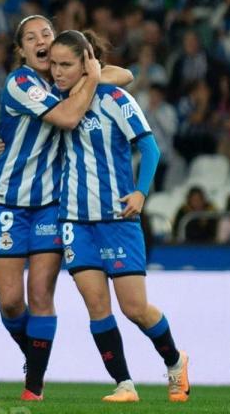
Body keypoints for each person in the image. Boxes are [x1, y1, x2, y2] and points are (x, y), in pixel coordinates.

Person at [0, 14, 132, 400]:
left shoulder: (62, 80)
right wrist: (93, 79)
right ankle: (32, 354)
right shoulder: (21, 82)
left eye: (47, 33)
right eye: (31, 37)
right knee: (11, 302)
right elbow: (68, 118)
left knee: (40, 296)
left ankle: (33, 386)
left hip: (51, 204)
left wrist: (90, 72)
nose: (42, 40)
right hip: (8, 203)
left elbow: (127, 75)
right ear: (21, 51)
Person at [49, 30, 189, 403]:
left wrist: (141, 192)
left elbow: (150, 147)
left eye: (66, 65)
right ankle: (124, 384)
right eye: (54, 64)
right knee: (96, 305)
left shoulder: (115, 98)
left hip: (117, 218)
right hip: (75, 220)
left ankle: (175, 362)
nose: (58, 72)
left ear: (86, 63)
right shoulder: (54, 103)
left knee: (135, 309)